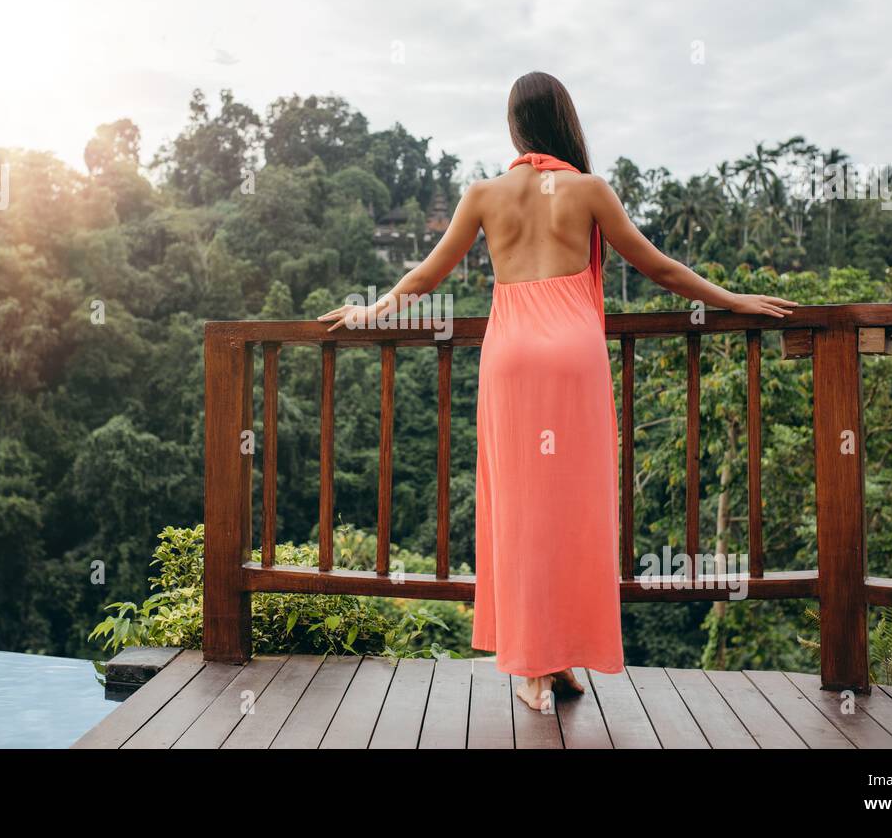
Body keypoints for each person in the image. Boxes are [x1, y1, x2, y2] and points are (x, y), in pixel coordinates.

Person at [317, 71, 796, 710]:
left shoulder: (485, 194)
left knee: (519, 510)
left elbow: (428, 275)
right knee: (575, 512)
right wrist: (734, 300)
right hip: (573, 357)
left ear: (515, 128)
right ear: (564, 122)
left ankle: (535, 669)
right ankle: (562, 657)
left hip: (511, 359)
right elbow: (658, 268)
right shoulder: (588, 190)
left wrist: (369, 311)